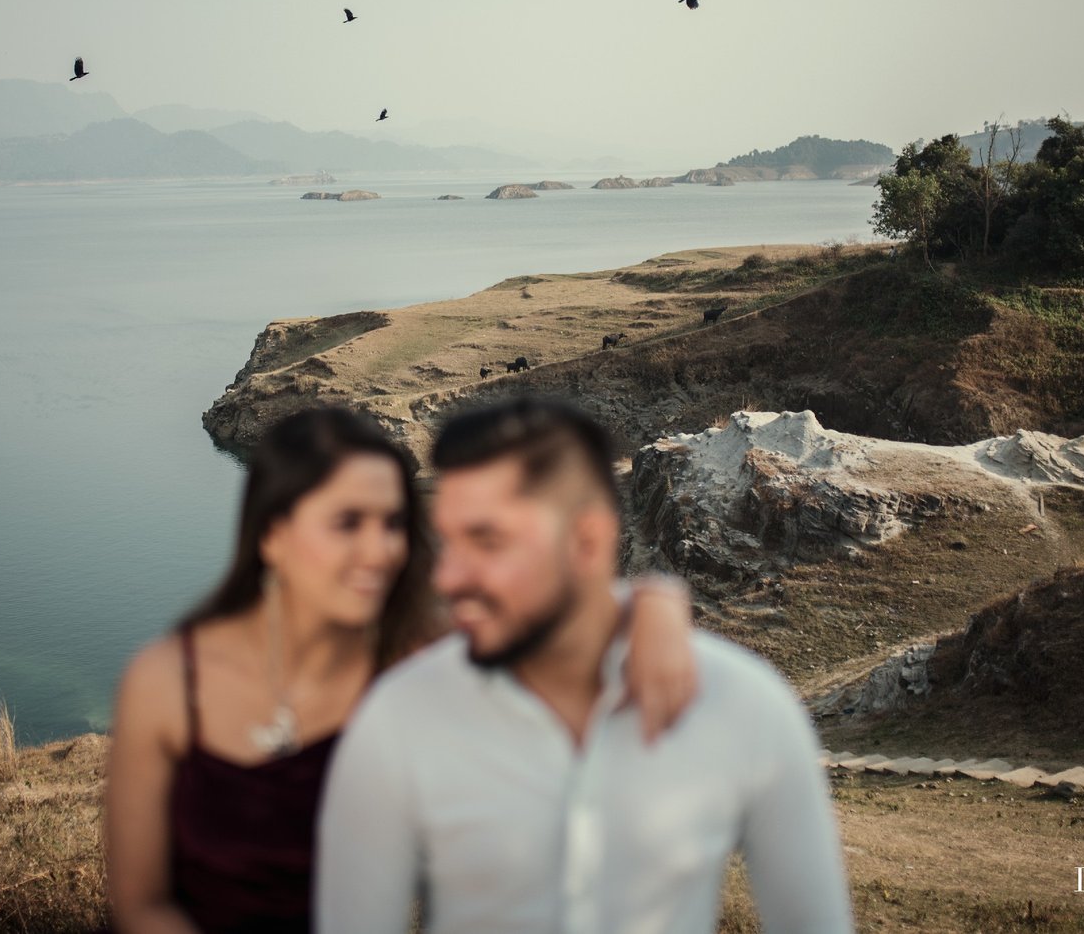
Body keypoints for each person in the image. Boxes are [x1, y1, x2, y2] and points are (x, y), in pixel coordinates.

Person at [103, 404, 698, 934]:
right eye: (347, 523)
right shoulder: (166, 682)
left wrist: (654, 605)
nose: (381, 549)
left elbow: (560, 627)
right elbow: (140, 903)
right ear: (272, 535)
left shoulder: (418, 657)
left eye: (392, 523)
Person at [316, 398, 855, 934]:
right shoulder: (398, 717)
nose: (449, 577)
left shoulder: (743, 705)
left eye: (487, 540)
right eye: (449, 541)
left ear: (589, 541)